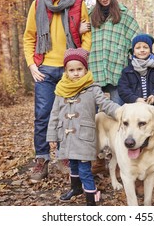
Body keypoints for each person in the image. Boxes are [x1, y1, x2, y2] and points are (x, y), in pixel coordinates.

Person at [82, 0, 154, 174]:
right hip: (94, 74)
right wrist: (79, 29)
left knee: (121, 120)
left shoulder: (125, 16)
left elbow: (139, 42)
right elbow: (80, 41)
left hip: (117, 74)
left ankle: (121, 160)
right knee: (90, 118)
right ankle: (97, 159)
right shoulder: (90, 18)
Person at [23, 0, 91, 182]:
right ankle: (42, 158)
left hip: (69, 70)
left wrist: (80, 59)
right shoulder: (37, 5)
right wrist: (32, 65)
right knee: (42, 116)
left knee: (68, 115)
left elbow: (87, 35)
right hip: (44, 69)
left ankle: (64, 156)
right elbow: (29, 37)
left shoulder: (78, 4)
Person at [47, 48, 120, 206]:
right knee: (72, 164)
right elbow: (54, 114)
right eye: (71, 70)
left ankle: (91, 197)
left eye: (79, 69)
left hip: (84, 136)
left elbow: (105, 104)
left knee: (84, 168)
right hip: (66, 136)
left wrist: (120, 111)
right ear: (66, 71)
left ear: (86, 69)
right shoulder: (61, 90)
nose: (76, 73)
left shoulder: (92, 89)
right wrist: (52, 136)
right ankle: (76, 188)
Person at [118, 33, 154, 111]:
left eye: (145, 47)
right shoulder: (127, 71)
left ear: (150, 51)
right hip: (134, 110)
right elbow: (123, 89)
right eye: (138, 48)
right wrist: (136, 99)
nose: (142, 50)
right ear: (133, 51)